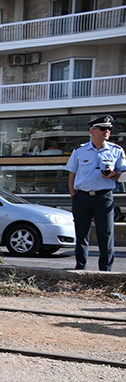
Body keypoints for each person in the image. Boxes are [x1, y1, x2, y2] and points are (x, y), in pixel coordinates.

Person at [66, 115, 126, 271]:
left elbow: (123, 175)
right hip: (82, 197)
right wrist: (74, 194)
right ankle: (80, 267)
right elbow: (72, 174)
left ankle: (105, 270)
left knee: (105, 234)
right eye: (103, 129)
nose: (107, 131)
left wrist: (114, 174)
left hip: (103, 197)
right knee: (81, 234)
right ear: (92, 131)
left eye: (109, 129)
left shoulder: (116, 150)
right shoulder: (80, 150)